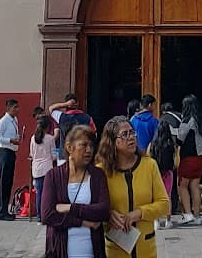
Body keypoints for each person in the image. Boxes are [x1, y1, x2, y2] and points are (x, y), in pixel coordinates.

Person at [97, 113, 171, 256]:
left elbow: (164, 204)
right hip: (116, 248)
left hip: (146, 248)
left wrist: (139, 213)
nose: (131, 137)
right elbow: (94, 207)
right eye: (124, 134)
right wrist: (108, 214)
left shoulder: (149, 165)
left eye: (132, 133)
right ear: (112, 141)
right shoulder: (102, 171)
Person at [41, 124, 110, 258]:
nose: (89, 150)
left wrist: (70, 208)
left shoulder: (97, 175)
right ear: (69, 147)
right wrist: (83, 222)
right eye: (83, 145)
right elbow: (47, 215)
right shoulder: (53, 176)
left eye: (91, 145)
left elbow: (103, 210)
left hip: (92, 250)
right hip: (60, 249)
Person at [172, 94, 202, 224]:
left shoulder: (188, 120)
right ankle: (197, 216)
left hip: (189, 157)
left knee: (182, 186)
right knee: (195, 185)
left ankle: (188, 214)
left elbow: (180, 138)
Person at [148, 103, 179, 229]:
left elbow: (147, 157)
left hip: (155, 172)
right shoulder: (172, 145)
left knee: (155, 197)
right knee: (167, 196)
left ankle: (156, 222)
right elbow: (177, 161)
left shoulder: (153, 144)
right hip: (168, 172)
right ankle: (168, 221)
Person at [0, 98, 22, 220]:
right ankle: (1, 212)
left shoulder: (15, 120)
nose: (17, 109)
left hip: (12, 152)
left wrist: (17, 138)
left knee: (9, 182)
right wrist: (10, 140)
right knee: (4, 182)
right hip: (5, 152)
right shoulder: (3, 121)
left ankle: (5, 209)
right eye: (15, 107)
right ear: (9, 108)